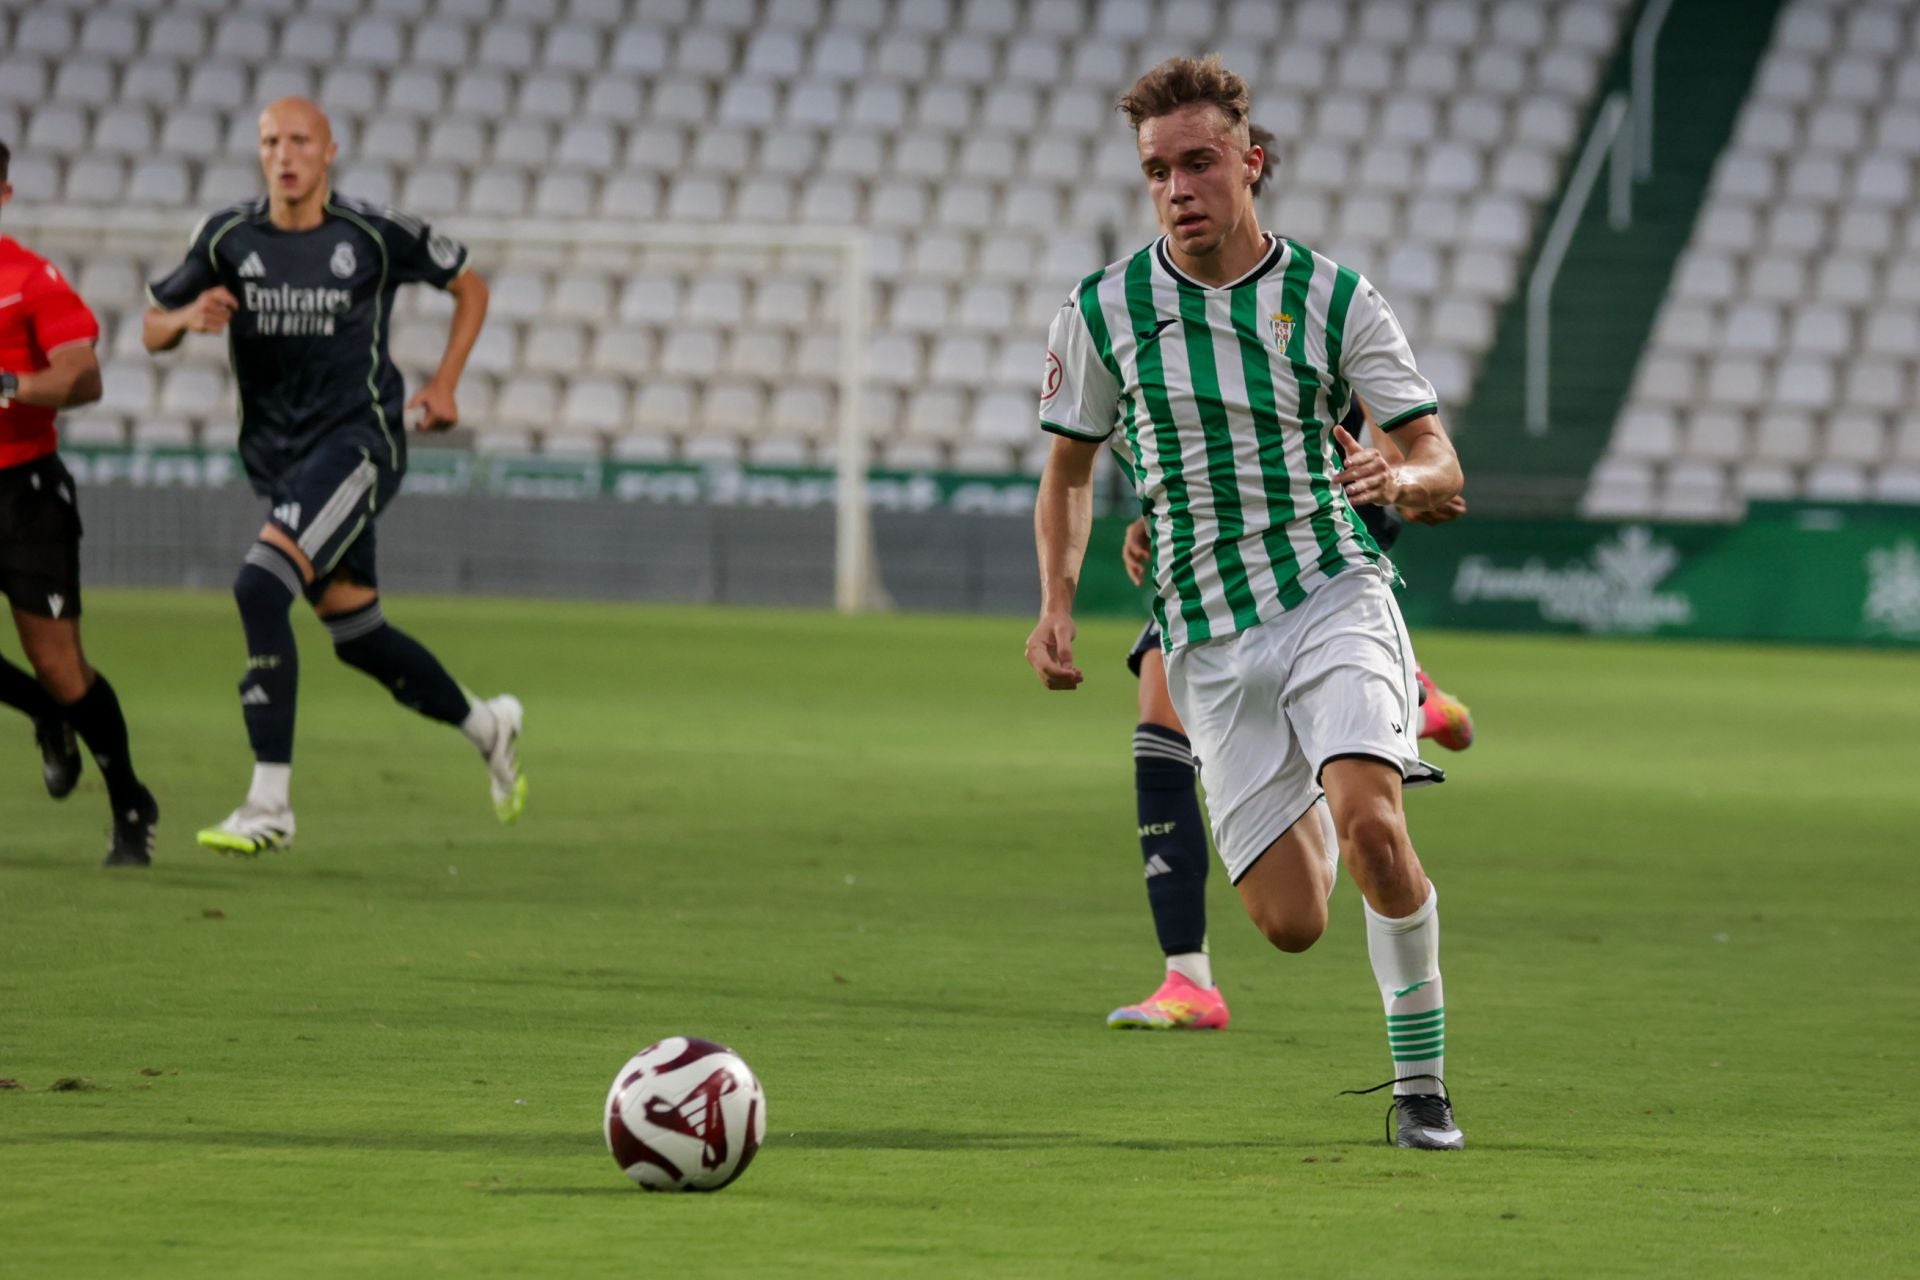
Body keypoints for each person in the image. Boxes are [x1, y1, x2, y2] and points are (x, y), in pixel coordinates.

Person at [1026, 56, 1466, 1148]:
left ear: (1250, 162)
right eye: (1158, 170)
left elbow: (1439, 462)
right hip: (1207, 637)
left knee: (1375, 829)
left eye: (1200, 162)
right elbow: (1070, 471)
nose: (1179, 188)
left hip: (1330, 590)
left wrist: (1399, 478)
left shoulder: (1335, 297)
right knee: (1290, 922)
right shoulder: (1103, 309)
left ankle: (1421, 1088)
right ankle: (1340, 749)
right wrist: (1056, 606)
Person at [141, 99, 524, 856]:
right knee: (358, 635)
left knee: (259, 586)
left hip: (359, 446)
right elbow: (153, 322)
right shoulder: (225, 236)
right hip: (281, 461)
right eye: (270, 141)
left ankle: (269, 804)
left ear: (329, 151)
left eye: (299, 141)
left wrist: (446, 383)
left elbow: (470, 286)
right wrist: (184, 321)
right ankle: (489, 726)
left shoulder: (372, 232)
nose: (284, 154)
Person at [1110, 404, 1474, 1034]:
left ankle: (1189, 977)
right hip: (1215, 552)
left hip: (1320, 539)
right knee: (1158, 720)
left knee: (1164, 707)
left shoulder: (1326, 337)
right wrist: (1156, 511)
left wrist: (1406, 481)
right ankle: (1187, 977)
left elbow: (1397, 432)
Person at [0, 139, 160, 867]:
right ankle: (46, 713)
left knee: (63, 669)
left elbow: (83, 378)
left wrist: (7, 386)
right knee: (51, 689)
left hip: (23, 495)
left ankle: (129, 801)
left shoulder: (30, 280)